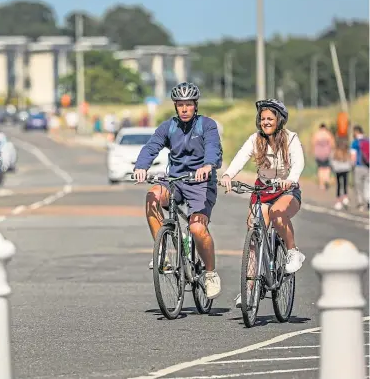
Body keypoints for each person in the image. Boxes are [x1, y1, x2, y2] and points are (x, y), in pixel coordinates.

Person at [133, 82, 223, 300]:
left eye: (188, 105)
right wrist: (141, 166)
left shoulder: (207, 125)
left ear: (195, 106)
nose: (184, 109)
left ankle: (210, 274)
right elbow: (152, 146)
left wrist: (208, 166)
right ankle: (163, 252)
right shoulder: (168, 127)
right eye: (180, 105)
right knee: (152, 195)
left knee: (196, 229)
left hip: (201, 183)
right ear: (175, 106)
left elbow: (213, 148)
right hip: (176, 181)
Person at [219, 99, 305, 309]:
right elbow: (241, 157)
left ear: (279, 120)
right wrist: (229, 174)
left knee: (277, 214)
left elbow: (299, 163)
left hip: (286, 191)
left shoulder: (291, 138)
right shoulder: (255, 139)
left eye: (270, 118)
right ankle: (249, 289)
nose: (266, 122)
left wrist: (290, 179)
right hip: (262, 190)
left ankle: (293, 251)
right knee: (254, 231)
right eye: (263, 118)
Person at [350, 125, 370, 211]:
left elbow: (353, 156)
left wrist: (352, 166)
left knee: (358, 186)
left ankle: (361, 203)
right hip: (368, 166)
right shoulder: (368, 141)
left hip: (358, 166)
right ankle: (368, 200)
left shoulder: (355, 143)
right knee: (367, 184)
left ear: (356, 132)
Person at [329, 138, 352, 210]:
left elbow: (331, 160)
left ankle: (338, 201)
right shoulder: (347, 151)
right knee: (345, 184)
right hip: (346, 169)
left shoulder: (335, 151)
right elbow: (350, 160)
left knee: (339, 185)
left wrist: (334, 168)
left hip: (338, 170)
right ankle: (345, 198)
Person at [311, 123, 335, 190]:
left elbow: (313, 143)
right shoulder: (328, 134)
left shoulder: (317, 134)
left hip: (318, 153)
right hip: (327, 153)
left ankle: (321, 184)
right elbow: (332, 143)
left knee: (320, 168)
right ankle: (326, 179)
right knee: (327, 168)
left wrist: (314, 151)